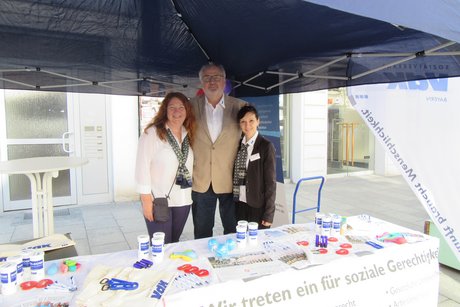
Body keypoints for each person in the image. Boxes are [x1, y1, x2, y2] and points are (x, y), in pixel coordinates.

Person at [191, 63, 247, 239]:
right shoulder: (189, 107)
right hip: (201, 180)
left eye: (216, 77)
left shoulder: (241, 107)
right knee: (202, 232)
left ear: (224, 82)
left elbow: (251, 140)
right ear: (201, 82)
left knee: (233, 231)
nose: (212, 81)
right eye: (207, 78)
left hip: (231, 181)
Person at [135, 92, 195, 243]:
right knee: (160, 246)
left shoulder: (188, 133)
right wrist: (146, 200)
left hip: (183, 200)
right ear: (165, 110)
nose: (177, 111)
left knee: (173, 244)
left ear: (187, 110)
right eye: (172, 107)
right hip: (159, 201)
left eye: (181, 107)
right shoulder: (152, 133)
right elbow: (141, 166)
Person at [233, 105, 276, 229]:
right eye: (243, 122)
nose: (247, 125)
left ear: (258, 121)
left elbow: (271, 183)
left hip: (257, 206)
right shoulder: (238, 146)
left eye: (251, 121)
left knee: (257, 244)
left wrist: (268, 214)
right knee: (241, 242)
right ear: (239, 124)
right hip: (240, 204)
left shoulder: (265, 146)